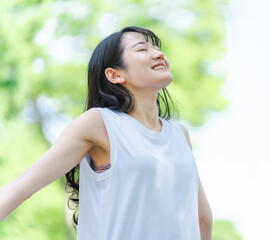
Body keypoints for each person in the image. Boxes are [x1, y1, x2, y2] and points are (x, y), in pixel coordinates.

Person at [0, 26, 212, 239]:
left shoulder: (180, 134)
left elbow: (203, 219)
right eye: (142, 49)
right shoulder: (99, 123)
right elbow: (20, 187)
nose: (158, 54)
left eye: (156, 48)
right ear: (115, 74)